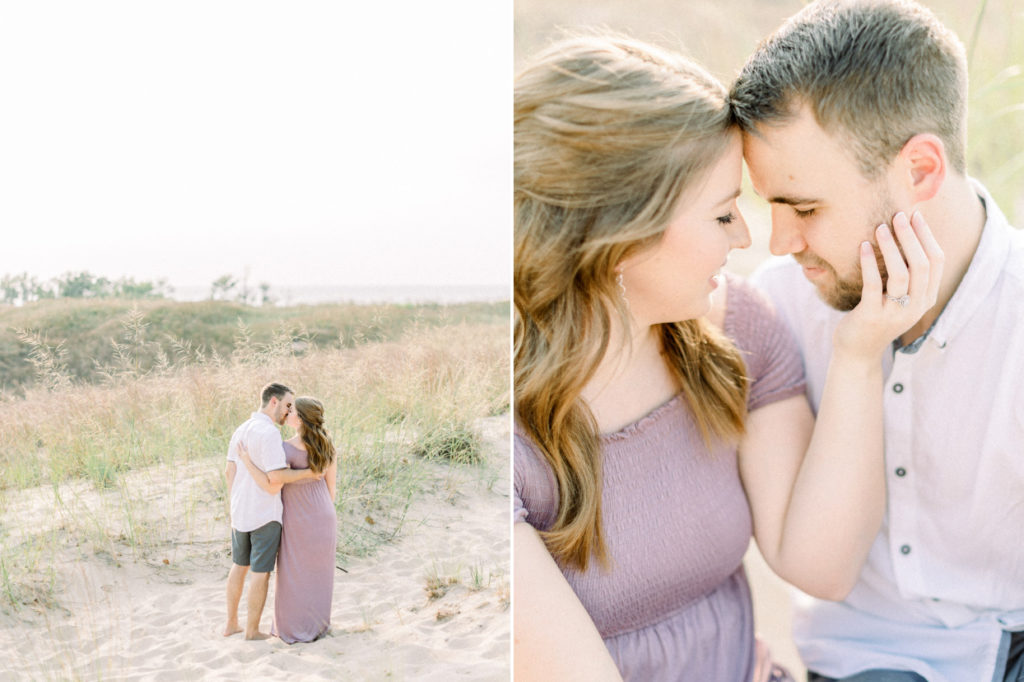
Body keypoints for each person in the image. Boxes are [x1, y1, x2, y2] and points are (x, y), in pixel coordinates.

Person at [513, 34, 943, 682]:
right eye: (722, 215)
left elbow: (820, 566)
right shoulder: (504, 438)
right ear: (621, 233)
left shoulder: (738, 329)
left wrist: (857, 355)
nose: (748, 238)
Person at [730, 1, 1024, 680]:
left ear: (921, 170)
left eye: (804, 208)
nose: (780, 242)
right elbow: (819, 568)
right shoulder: (777, 305)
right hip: (863, 659)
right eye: (769, 206)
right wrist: (855, 356)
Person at [223, 382, 320, 640]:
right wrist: (309, 473)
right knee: (260, 572)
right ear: (273, 401)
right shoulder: (269, 434)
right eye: (288, 405)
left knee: (238, 566)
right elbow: (276, 477)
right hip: (264, 514)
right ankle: (252, 631)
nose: (289, 412)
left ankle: (231, 623)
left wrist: (236, 501)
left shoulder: (240, 429)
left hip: (240, 512)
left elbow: (228, 472)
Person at [237, 395, 338, 643]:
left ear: (300, 419)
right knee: (319, 574)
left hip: (297, 516)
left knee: (293, 573)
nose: (287, 412)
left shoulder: (285, 448)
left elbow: (272, 483)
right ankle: (317, 626)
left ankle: (293, 629)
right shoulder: (327, 446)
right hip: (324, 514)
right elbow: (331, 489)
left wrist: (248, 462)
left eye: (292, 410)